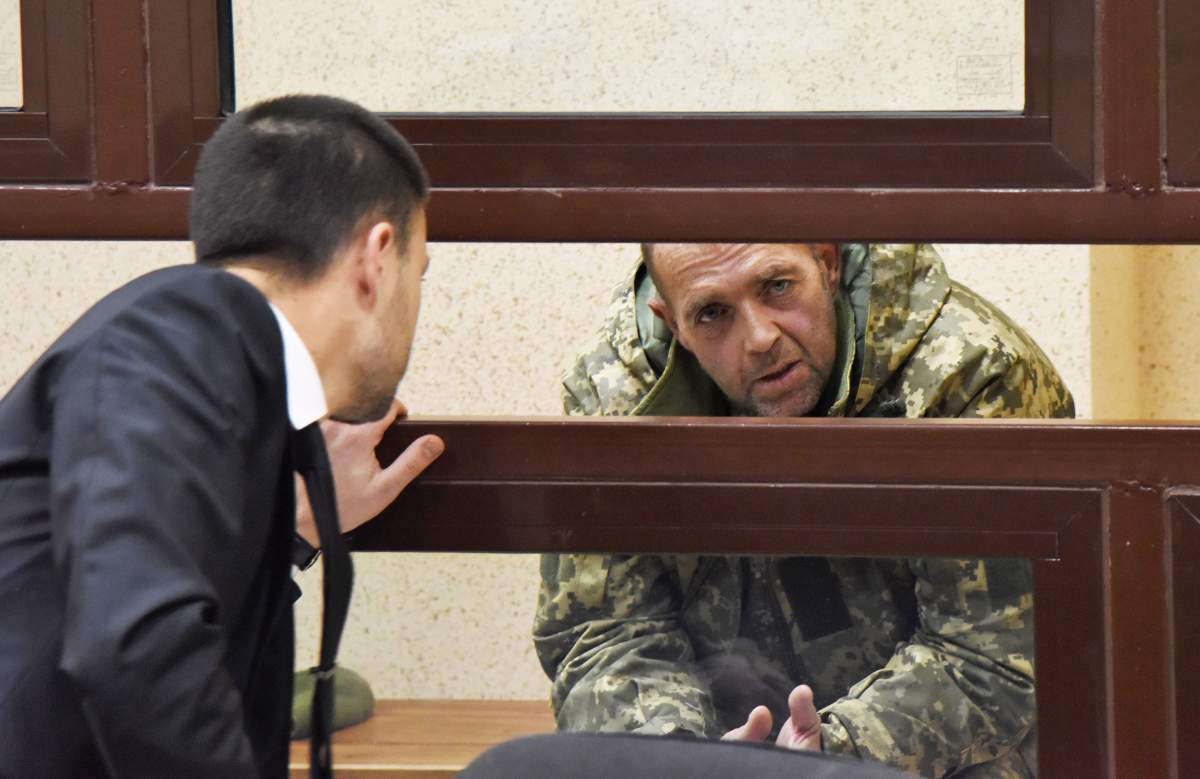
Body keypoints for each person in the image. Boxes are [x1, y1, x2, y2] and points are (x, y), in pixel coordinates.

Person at [0, 94, 443, 777]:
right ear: (376, 259)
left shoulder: (205, 352)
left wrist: (289, 532)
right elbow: (136, 648)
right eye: (421, 273)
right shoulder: (179, 328)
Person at [534, 243, 1074, 778]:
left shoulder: (967, 373)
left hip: (936, 758)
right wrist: (680, 757)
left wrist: (828, 756)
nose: (760, 338)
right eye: (713, 313)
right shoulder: (615, 395)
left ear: (828, 261)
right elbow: (602, 633)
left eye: (777, 287)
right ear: (672, 322)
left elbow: (994, 656)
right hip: (714, 743)